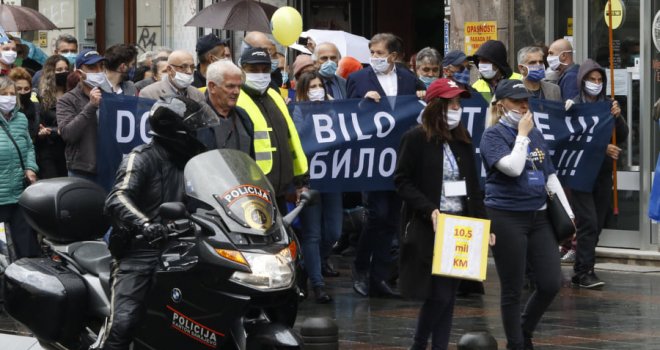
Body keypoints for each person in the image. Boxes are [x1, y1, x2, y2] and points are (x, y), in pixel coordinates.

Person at [101, 96, 210, 350]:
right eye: (192, 129)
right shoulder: (140, 158)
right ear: (176, 131)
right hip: (140, 251)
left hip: (182, 248)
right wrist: (146, 224)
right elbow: (116, 198)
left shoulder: (193, 162)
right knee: (124, 323)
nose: (197, 134)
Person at [479, 79, 574, 350]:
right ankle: (516, 343)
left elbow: (549, 174)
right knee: (512, 286)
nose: (523, 106)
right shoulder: (493, 135)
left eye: (526, 101)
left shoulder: (535, 132)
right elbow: (512, 168)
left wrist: (568, 215)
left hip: (539, 215)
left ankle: (524, 328)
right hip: (506, 215)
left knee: (550, 282)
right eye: (516, 101)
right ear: (501, 105)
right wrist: (521, 135)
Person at [395, 78, 485, 350]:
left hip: (460, 227)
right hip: (431, 226)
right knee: (440, 294)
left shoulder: (463, 140)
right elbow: (402, 180)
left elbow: (473, 186)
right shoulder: (415, 138)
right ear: (435, 106)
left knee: (448, 295)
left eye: (458, 103)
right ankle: (421, 343)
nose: (456, 108)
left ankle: (429, 345)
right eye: (451, 103)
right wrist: (428, 208)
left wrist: (484, 227)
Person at [346, 33, 418, 298]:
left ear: (394, 56)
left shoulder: (409, 80)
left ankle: (381, 276)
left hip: (400, 158)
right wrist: (363, 105)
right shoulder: (357, 79)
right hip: (371, 159)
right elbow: (347, 118)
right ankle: (361, 268)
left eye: (379, 53)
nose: (374, 58)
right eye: (372, 52)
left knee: (391, 218)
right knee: (376, 215)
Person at [568, 59, 628, 289]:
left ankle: (582, 268)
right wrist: (602, 148)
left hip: (602, 174)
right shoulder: (573, 106)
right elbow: (572, 139)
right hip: (581, 173)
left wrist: (617, 116)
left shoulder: (607, 105)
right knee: (588, 222)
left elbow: (621, 135)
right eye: (591, 79)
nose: (596, 83)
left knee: (598, 222)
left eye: (599, 79)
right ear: (582, 81)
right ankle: (585, 270)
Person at [236, 47, 308, 214]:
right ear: (242, 70)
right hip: (252, 195)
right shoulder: (236, 99)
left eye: (265, 69)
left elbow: (291, 141)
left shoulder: (275, 96)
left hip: (280, 191)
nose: (260, 74)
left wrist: (300, 183)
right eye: (253, 70)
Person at [292, 71, 342, 304]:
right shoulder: (297, 110)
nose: (317, 89)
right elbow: (299, 138)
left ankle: (305, 265)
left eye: (320, 85)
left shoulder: (334, 108)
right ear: (303, 90)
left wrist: (333, 110)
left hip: (332, 177)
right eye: (312, 86)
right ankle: (318, 283)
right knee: (312, 233)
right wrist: (311, 112)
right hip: (309, 179)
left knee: (333, 232)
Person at [0, 75, 40, 259]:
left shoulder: (21, 118)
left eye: (11, 93)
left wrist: (31, 168)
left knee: (26, 244)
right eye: (3, 94)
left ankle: (28, 283)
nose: (8, 98)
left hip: (18, 192)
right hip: (1, 194)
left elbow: (30, 147)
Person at [57, 49, 107, 181]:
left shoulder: (110, 97)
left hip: (110, 167)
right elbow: (67, 134)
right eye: (91, 67)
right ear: (80, 73)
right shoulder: (67, 100)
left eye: (101, 67)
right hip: (82, 170)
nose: (98, 71)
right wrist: (91, 106)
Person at [199, 59, 253, 155]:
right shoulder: (196, 120)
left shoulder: (243, 117)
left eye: (239, 86)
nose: (236, 92)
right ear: (212, 87)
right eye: (230, 86)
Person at [36, 55, 69, 179]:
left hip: (69, 151)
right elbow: (38, 126)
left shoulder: (72, 93)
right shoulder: (41, 97)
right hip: (49, 151)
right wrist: (50, 132)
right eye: (59, 70)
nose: (64, 73)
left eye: (66, 69)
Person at [139, 50, 205, 103]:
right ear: (169, 70)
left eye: (192, 67)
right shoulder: (148, 94)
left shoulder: (198, 95)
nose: (189, 71)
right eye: (183, 67)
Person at [9, 67, 39, 140]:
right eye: (19, 89)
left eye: (26, 89)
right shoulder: (6, 108)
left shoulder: (35, 106)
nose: (23, 92)